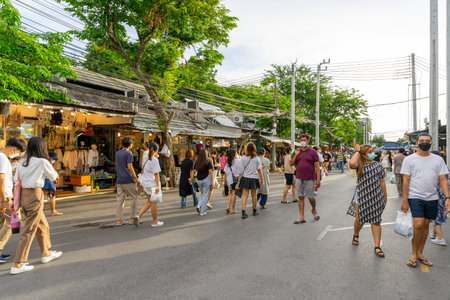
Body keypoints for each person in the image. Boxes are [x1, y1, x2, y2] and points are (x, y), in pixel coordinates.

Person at [10, 137, 62, 275]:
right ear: (41, 148)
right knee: (30, 230)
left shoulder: (21, 162)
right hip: (35, 196)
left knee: (42, 225)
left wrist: (16, 201)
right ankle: (18, 263)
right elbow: (53, 176)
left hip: (23, 196)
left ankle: (46, 253)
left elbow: (17, 181)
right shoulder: (42, 162)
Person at [400, 133, 450, 268]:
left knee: (426, 226)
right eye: (422, 140)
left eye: (427, 141)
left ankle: (420, 253)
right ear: (417, 142)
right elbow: (405, 181)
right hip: (414, 196)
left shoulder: (438, 160)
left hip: (432, 197)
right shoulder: (409, 159)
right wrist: (405, 200)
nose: (424, 142)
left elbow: (443, 179)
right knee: (418, 224)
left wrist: (447, 197)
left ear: (431, 143)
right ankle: (413, 254)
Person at [348, 144, 387, 257]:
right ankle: (356, 234)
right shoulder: (360, 165)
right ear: (364, 155)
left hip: (376, 196)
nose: (372, 154)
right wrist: (357, 151)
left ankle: (377, 246)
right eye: (369, 152)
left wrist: (385, 197)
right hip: (361, 196)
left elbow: (382, 182)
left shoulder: (378, 165)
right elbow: (351, 163)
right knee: (360, 219)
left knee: (376, 221)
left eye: (372, 151)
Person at [0, 138, 26, 264]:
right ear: (14, 149)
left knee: (2, 223)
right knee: (13, 221)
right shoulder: (3, 158)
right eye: (18, 152)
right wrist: (2, 200)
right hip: (4, 196)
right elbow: (1, 180)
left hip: (3, 196)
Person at [290, 134, 320, 224]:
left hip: (310, 178)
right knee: (300, 197)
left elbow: (317, 167)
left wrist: (318, 180)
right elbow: (291, 163)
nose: (303, 142)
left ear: (308, 141)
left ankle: (313, 209)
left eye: (305, 140)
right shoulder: (297, 152)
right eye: (301, 140)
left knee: (311, 197)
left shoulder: (313, 152)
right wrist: (296, 155)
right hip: (299, 177)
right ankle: (302, 217)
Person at [133, 142, 163, 227]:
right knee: (154, 203)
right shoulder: (155, 160)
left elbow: (150, 155)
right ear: (156, 150)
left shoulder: (145, 156)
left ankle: (138, 216)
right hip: (152, 183)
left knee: (149, 201)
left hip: (145, 183)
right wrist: (158, 186)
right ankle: (155, 222)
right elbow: (156, 174)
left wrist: (155, 155)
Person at [115, 137, 140, 226]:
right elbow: (130, 167)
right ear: (130, 144)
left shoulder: (117, 153)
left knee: (120, 200)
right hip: (128, 179)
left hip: (119, 179)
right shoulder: (129, 153)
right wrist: (136, 178)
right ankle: (132, 218)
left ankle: (119, 220)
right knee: (134, 197)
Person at [236, 143, 264, 219]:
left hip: (245, 178)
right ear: (254, 149)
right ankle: (254, 211)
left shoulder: (243, 158)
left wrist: (238, 182)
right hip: (254, 178)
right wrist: (262, 179)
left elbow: (240, 171)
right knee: (254, 195)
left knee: (244, 195)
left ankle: (243, 212)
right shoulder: (257, 158)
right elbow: (259, 170)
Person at [429, 151, 449, 246]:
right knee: (438, 215)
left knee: (435, 216)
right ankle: (434, 233)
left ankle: (440, 238)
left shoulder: (434, 168)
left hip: (436, 195)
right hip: (445, 195)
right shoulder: (445, 168)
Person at [42, 152, 63, 216]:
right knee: (52, 196)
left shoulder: (43, 162)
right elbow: (52, 174)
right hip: (49, 182)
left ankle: (40, 212)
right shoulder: (47, 164)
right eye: (53, 159)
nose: (53, 161)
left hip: (42, 182)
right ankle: (53, 211)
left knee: (41, 197)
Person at [195, 149, 213, 216]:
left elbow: (196, 170)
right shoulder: (208, 161)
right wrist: (212, 182)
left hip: (199, 180)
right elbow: (210, 172)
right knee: (205, 195)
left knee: (203, 194)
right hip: (206, 179)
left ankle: (199, 205)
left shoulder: (197, 161)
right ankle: (203, 211)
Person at [224, 149, 239, 214]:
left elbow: (226, 173)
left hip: (229, 179)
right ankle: (232, 209)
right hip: (235, 179)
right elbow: (241, 170)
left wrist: (225, 181)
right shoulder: (237, 161)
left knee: (231, 193)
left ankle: (228, 207)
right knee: (233, 194)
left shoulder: (228, 161)